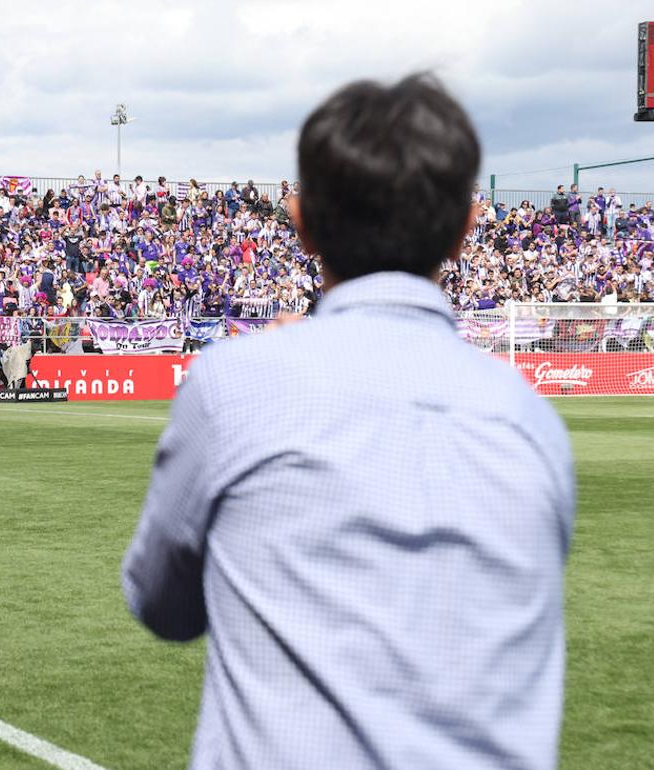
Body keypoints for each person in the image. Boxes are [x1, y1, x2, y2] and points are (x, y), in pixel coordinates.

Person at [122, 73, 576, 770]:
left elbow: (161, 604)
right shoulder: (533, 421)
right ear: (466, 227)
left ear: (301, 221)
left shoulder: (235, 385)